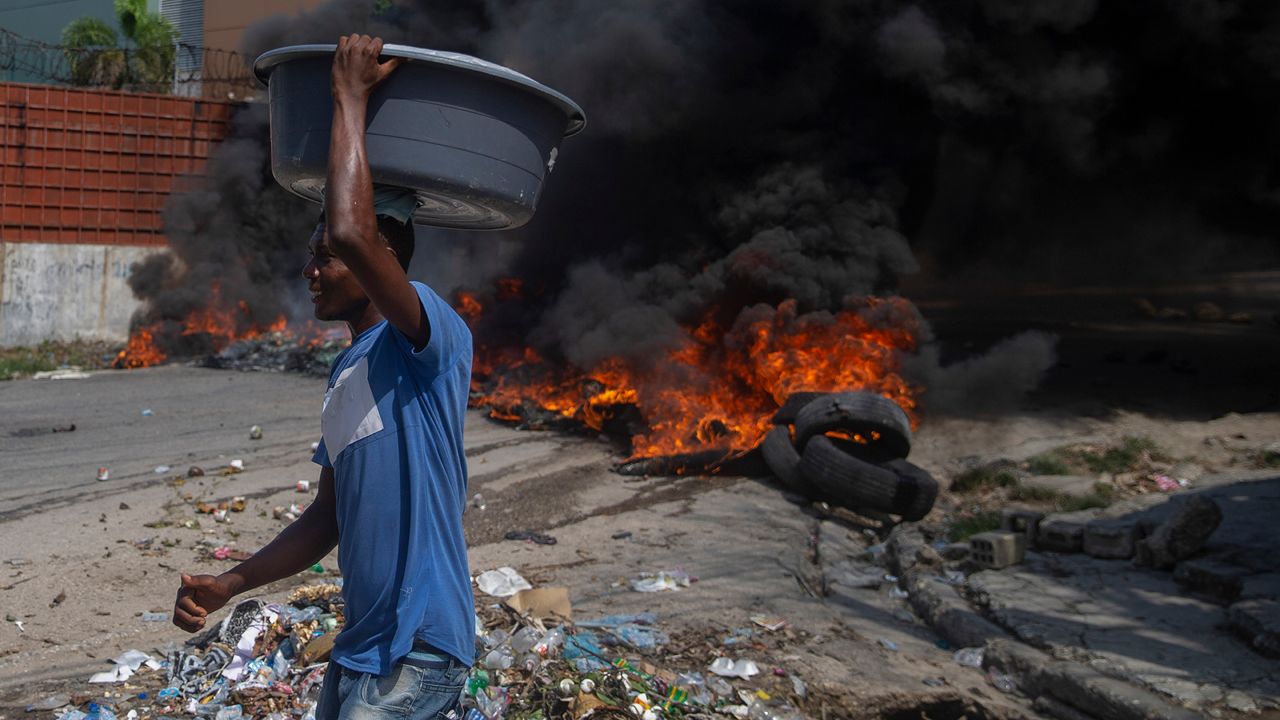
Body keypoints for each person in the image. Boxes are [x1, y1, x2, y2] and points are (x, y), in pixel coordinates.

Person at [172, 34, 474, 720]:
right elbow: (325, 519)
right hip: (363, 648)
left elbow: (352, 231)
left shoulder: (428, 339)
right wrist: (231, 581)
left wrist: (349, 97)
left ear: (381, 259)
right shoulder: (348, 371)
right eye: (313, 255)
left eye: (325, 258)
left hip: (418, 647)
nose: (313, 268)